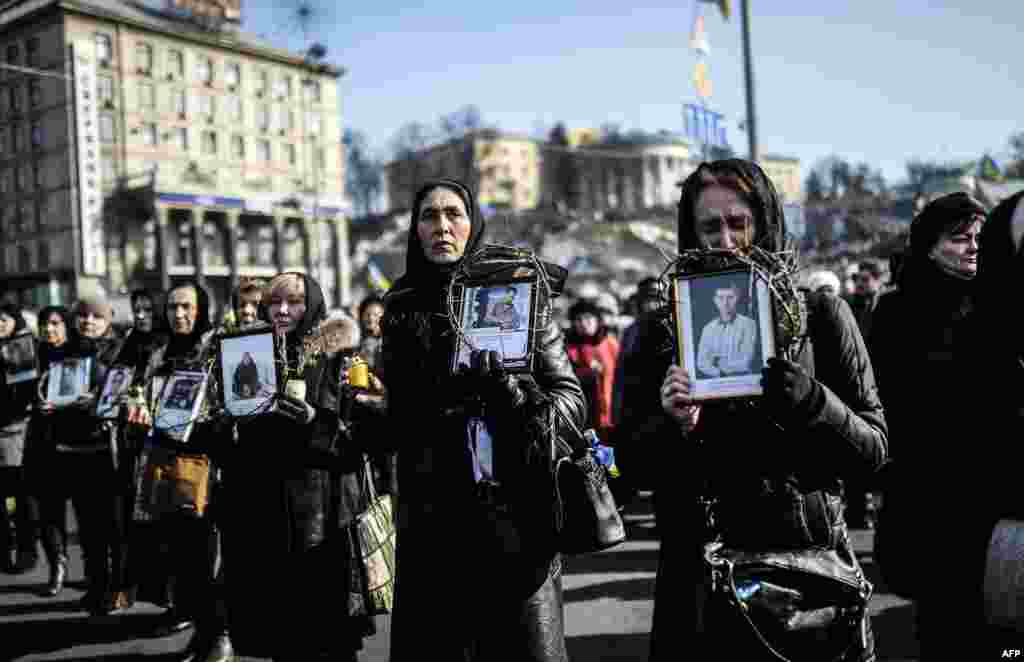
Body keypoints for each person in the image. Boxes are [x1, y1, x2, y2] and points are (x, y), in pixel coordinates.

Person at [618, 159, 886, 661]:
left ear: (765, 222)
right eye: (709, 226)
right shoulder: (661, 333)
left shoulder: (822, 317)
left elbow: (873, 452)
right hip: (700, 590)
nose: (725, 239)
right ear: (690, 233)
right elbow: (626, 469)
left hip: (805, 584)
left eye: (739, 223)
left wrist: (813, 401)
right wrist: (669, 423)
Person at [381, 178, 586, 661]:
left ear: (472, 224)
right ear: (414, 230)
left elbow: (571, 403)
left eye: (453, 214)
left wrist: (511, 395)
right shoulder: (400, 306)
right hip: (431, 532)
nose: (441, 226)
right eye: (428, 216)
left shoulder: (515, 293)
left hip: (513, 523)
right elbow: (401, 422)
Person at [216, 272, 377, 661]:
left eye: (294, 302)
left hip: (324, 523)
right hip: (265, 521)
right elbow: (231, 446)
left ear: (314, 305)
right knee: (282, 640)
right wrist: (224, 421)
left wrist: (314, 423)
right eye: (274, 302)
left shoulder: (341, 359)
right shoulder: (248, 354)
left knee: (329, 642)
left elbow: (363, 440)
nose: (283, 310)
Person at [871, 191, 994, 656]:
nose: (973, 248)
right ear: (929, 246)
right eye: (960, 238)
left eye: (979, 238)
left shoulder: (998, 301)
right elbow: (881, 400)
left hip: (994, 493)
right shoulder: (897, 312)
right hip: (927, 496)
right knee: (945, 627)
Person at [22, 307, 75, 596]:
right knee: (44, 510)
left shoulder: (77, 354)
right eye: (45, 324)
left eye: (56, 324)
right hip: (41, 442)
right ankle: (58, 565)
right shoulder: (32, 355)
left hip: (73, 442)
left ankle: (97, 574)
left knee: (83, 511)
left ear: (66, 326)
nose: (50, 329)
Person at [0, 303, 39, 575]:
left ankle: (27, 552)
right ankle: (4, 551)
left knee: (21, 495)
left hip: (16, 430)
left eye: (3, 319)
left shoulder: (23, 347)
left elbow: (25, 391)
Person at [565, 297, 620, 440]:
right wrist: (587, 373)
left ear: (597, 320)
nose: (584, 324)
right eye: (579, 320)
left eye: (588, 318)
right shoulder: (569, 348)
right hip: (584, 418)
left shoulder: (611, 344)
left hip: (613, 416)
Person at [695, 282, 758, 378]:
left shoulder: (749, 324)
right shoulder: (708, 329)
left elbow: (746, 362)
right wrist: (718, 372)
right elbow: (701, 363)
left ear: (737, 298)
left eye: (730, 297)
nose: (725, 303)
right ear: (715, 300)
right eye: (721, 298)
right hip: (716, 384)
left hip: (743, 383)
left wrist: (716, 361)